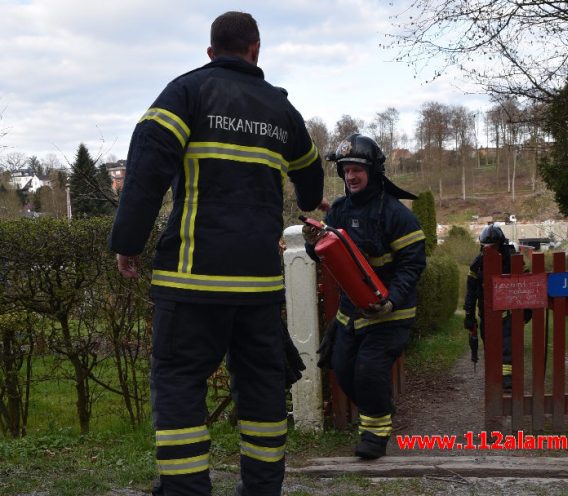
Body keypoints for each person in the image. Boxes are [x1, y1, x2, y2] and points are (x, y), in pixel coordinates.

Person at [109, 11, 325, 496]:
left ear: (211, 52)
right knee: (264, 393)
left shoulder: (186, 92)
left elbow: (147, 164)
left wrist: (127, 242)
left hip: (191, 283)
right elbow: (310, 180)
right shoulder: (281, 108)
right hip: (259, 288)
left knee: (181, 385)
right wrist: (309, 198)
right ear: (256, 50)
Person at [304, 133, 426, 459]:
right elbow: (324, 254)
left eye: (357, 169)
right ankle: (379, 409)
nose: (351, 176)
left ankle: (375, 435)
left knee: (369, 370)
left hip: (389, 315)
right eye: (345, 170)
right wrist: (311, 241)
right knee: (343, 370)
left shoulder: (397, 215)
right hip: (351, 315)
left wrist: (392, 300)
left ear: (373, 171)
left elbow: (412, 265)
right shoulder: (340, 210)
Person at [464, 224, 530, 390]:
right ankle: (493, 376)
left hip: (509, 312)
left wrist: (527, 311)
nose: (489, 250)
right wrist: (469, 315)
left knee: (507, 347)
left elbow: (528, 286)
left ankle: (507, 380)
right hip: (486, 312)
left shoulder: (514, 259)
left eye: (493, 247)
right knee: (490, 345)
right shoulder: (477, 264)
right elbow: (471, 292)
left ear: (501, 244)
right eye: (487, 247)